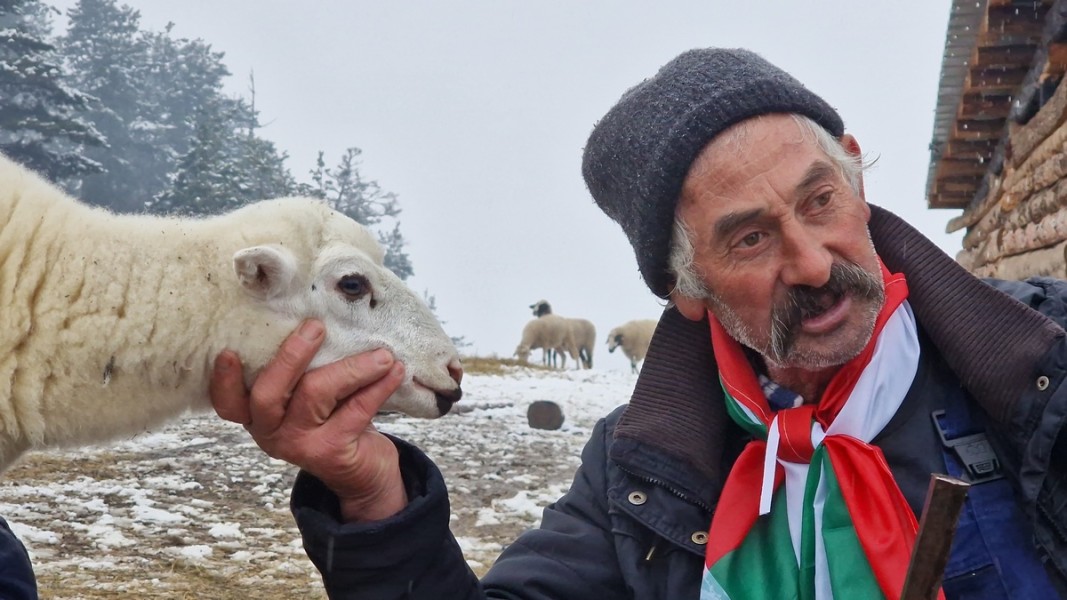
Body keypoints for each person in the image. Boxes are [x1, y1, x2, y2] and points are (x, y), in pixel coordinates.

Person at [4, 47, 1064, 599]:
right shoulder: (649, 476)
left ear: (853, 165)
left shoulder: (1038, 388)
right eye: (746, 240)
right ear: (682, 288)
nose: (811, 261)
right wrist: (373, 499)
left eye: (821, 199)